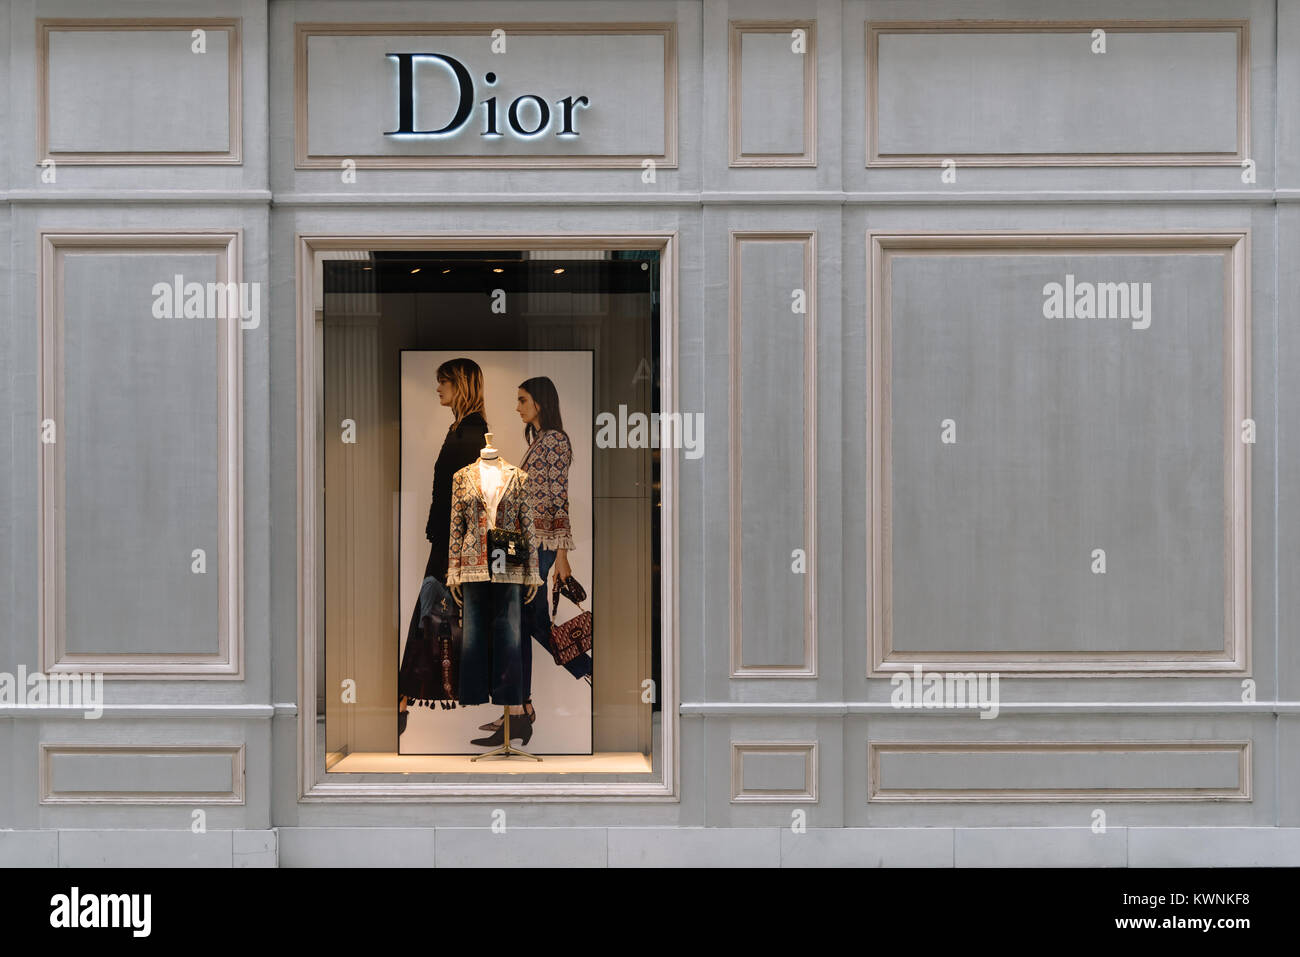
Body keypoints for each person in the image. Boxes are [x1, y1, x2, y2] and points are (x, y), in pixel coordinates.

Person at [476, 376, 592, 742]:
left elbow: (559, 499)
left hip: (539, 544)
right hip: (520, 543)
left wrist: (562, 557)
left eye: (523, 400)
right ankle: (521, 708)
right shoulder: (540, 441)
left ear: (540, 402)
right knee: (522, 621)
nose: (517, 407)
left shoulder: (555, 441)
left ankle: (524, 706)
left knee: (523, 621)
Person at [398, 358, 488, 735]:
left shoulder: (470, 433)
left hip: (453, 547)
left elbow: (469, 497)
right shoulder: (461, 429)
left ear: (460, 385)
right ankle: (402, 698)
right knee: (432, 619)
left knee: (430, 618)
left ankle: (402, 699)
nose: (437, 389)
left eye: (443, 382)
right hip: (449, 543)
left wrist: (452, 546)